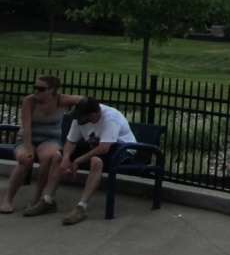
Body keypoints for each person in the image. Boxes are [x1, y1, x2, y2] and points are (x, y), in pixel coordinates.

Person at [23, 97, 137, 225]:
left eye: (80, 116)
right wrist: (66, 159)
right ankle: (48, 201)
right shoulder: (80, 119)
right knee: (57, 157)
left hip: (121, 148)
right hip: (96, 146)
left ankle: (81, 207)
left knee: (96, 161)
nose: (77, 119)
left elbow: (104, 149)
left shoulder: (111, 118)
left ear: (92, 115)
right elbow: (71, 142)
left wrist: (77, 161)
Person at [1, 76, 83, 214]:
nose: (36, 91)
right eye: (35, 87)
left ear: (52, 90)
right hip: (27, 138)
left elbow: (84, 100)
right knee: (25, 160)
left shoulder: (61, 100)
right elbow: (26, 126)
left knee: (49, 157)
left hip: (50, 138)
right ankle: (8, 199)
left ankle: (38, 196)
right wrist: (28, 148)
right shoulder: (30, 100)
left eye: (41, 88)